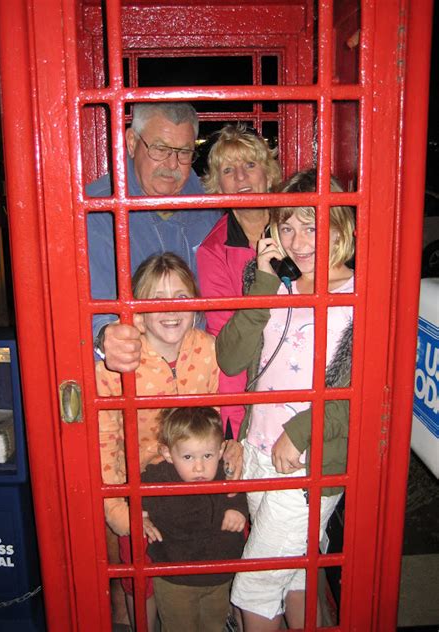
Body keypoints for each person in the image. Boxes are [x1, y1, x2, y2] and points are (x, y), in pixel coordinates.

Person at [216, 168, 355, 630]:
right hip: (257, 450)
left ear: (340, 225)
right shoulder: (273, 281)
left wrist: (300, 434)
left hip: (307, 463)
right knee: (295, 571)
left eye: (312, 225)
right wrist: (264, 286)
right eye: (287, 226)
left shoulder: (363, 294)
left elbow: (364, 390)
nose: (298, 241)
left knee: (254, 587)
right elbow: (230, 357)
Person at [97, 253, 220, 631]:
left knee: (202, 571)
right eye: (155, 298)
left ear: (195, 303)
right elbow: (105, 441)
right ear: (136, 310)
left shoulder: (210, 350)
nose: (170, 309)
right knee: (142, 580)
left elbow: (223, 420)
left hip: (196, 485)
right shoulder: (116, 363)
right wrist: (120, 509)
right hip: (138, 490)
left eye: (181, 297)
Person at [87, 102, 221, 373]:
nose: (172, 165)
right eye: (160, 149)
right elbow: (86, 305)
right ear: (132, 142)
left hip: (204, 372)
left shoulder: (210, 202)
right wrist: (104, 338)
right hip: (138, 374)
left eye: (184, 152)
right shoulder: (97, 209)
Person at [196, 123, 282, 440]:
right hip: (251, 392)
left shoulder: (297, 227)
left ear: (269, 174)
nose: (241, 177)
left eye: (250, 165)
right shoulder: (213, 251)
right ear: (217, 185)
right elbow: (225, 341)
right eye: (229, 170)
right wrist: (233, 417)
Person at [141, 407, 248, 632]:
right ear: (168, 453)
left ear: (220, 451)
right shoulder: (157, 477)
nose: (199, 467)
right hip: (175, 579)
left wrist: (237, 510)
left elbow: (240, 494)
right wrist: (139, 516)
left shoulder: (225, 472)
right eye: (188, 457)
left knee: (214, 626)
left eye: (207, 456)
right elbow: (136, 499)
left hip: (219, 575)